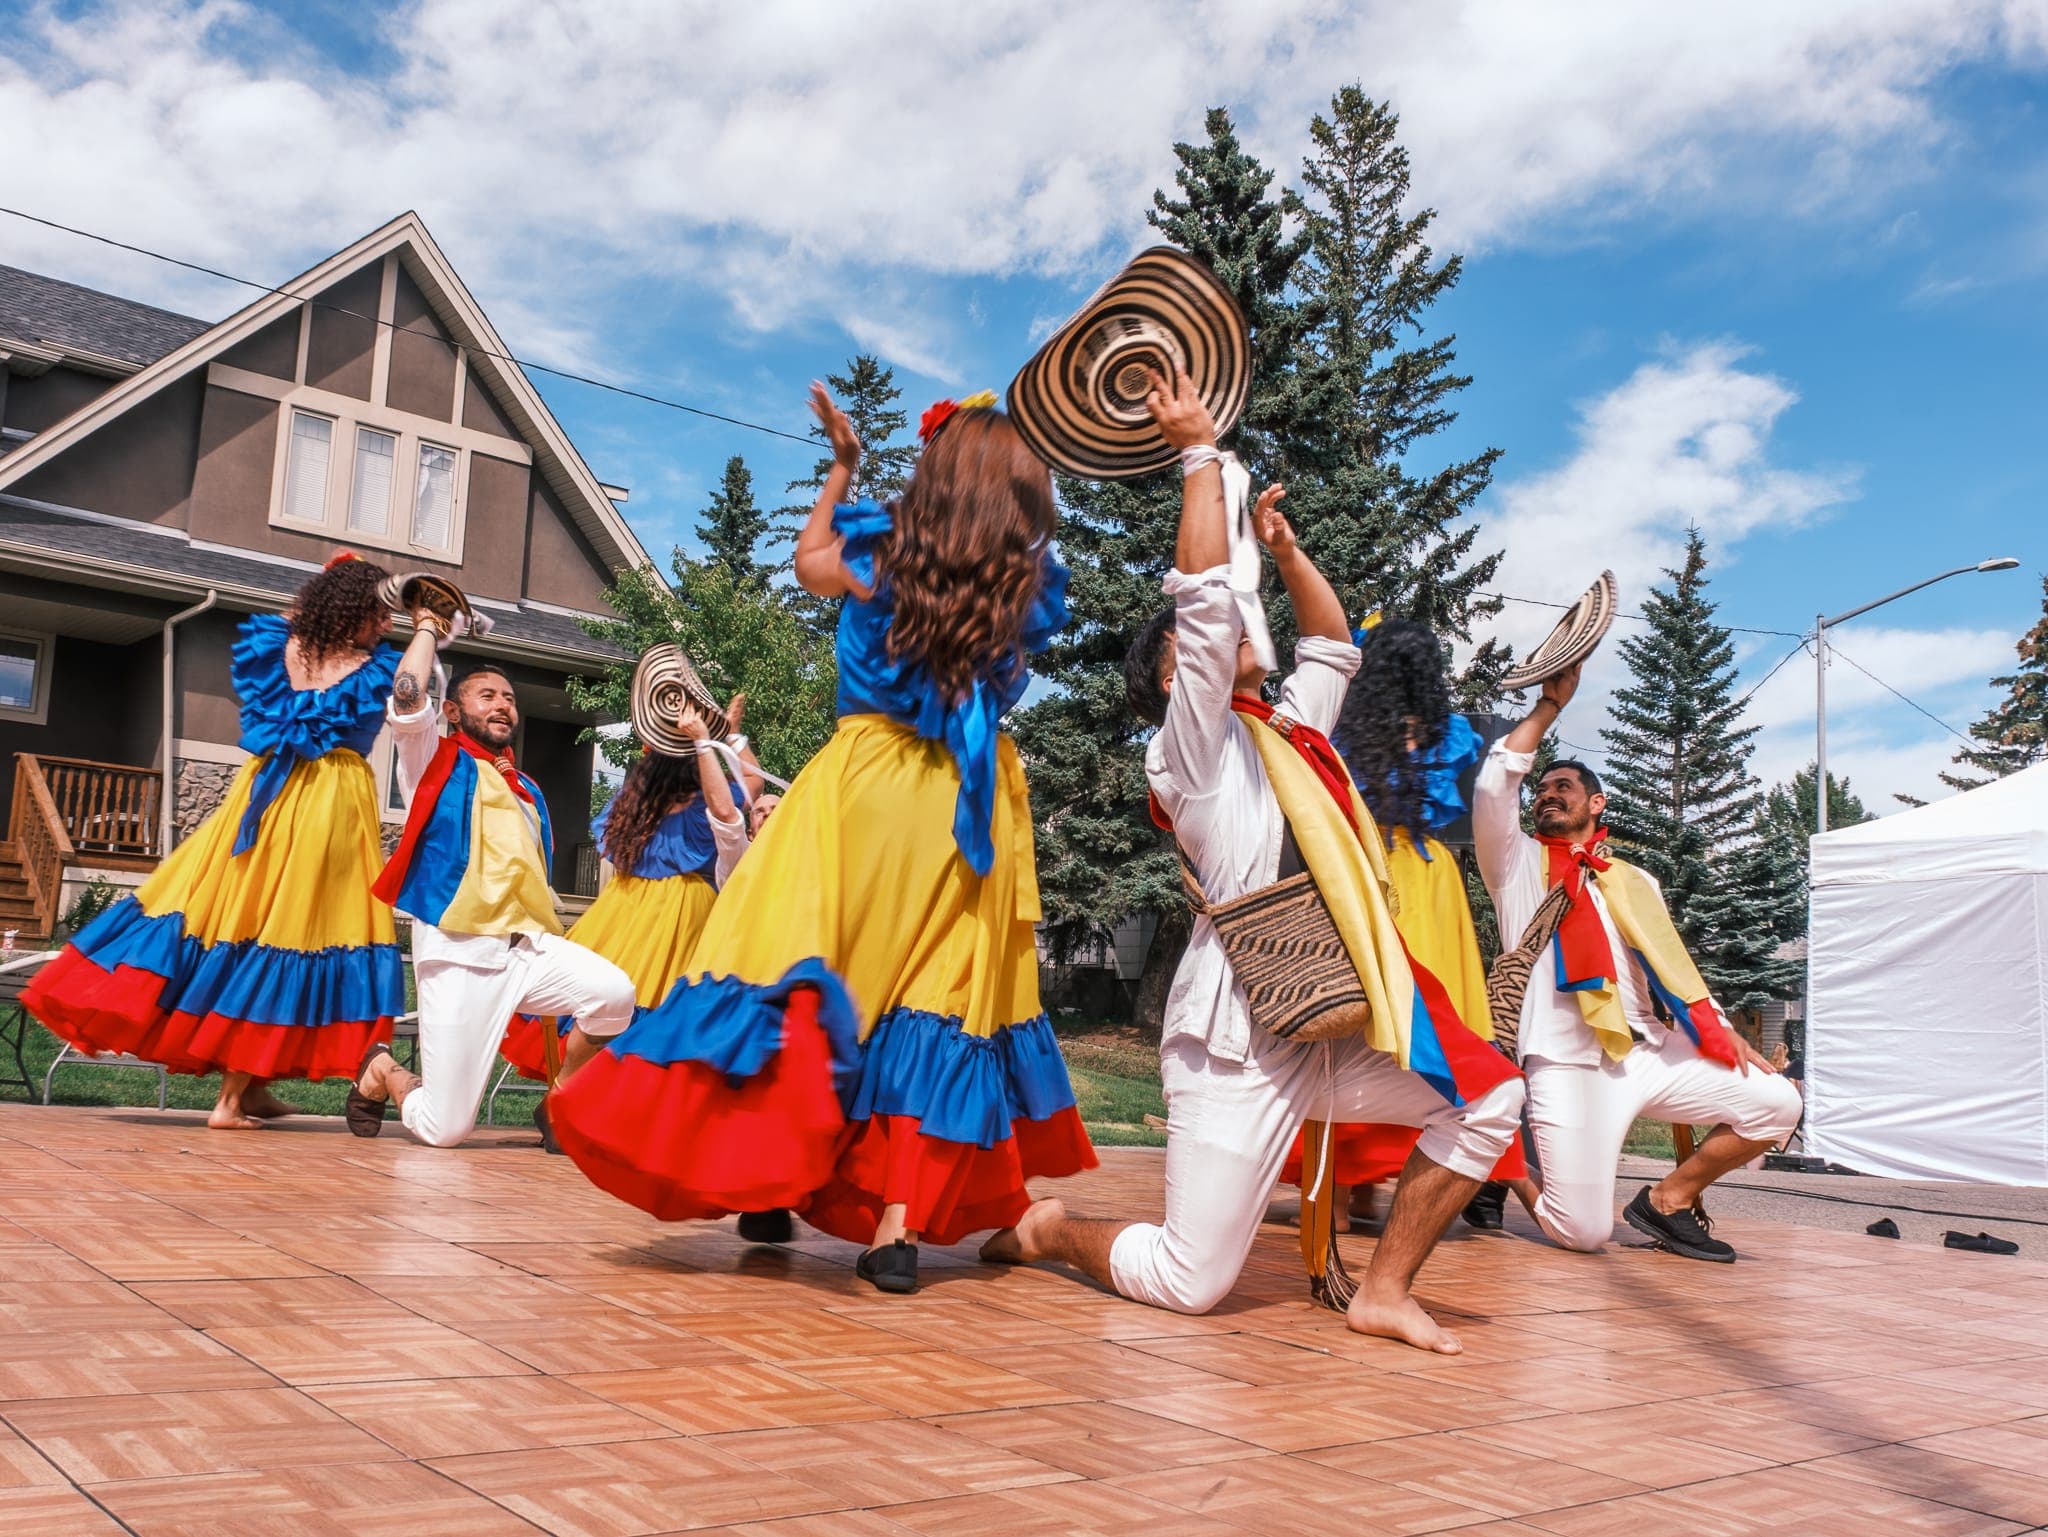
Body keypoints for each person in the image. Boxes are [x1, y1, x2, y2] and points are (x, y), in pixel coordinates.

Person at [981, 371, 1523, 1355]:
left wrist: (1281, 545)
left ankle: (1384, 1289)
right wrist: (1197, 454)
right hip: (1234, 1042)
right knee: (1190, 1284)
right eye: (1209, 641)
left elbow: (1331, 647)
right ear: (1169, 680)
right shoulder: (1189, 752)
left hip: (1335, 1030)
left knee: (1490, 1095)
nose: (1240, 631)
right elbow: (1197, 615)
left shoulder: (1287, 734)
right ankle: (1055, 1227)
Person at [551, 383, 1095, 1293]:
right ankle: (895, 1228)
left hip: (861, 789)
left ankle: (765, 1178)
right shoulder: (1022, 585)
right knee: (931, 997)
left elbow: (807, 557)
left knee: (802, 972)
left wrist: (843, 467)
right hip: (965, 800)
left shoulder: (877, 558)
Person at [25, 553, 407, 1130]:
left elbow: (300, 612)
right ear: (352, 608)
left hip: (261, 798)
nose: (386, 625)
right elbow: (412, 685)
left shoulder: (284, 646)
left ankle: (250, 1091)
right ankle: (230, 1101)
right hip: (327, 801)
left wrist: (337, 578)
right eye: (378, 613)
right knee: (287, 930)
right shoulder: (373, 665)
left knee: (238, 919)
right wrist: (431, 626)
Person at [1473, 663, 1802, 1260]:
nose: (1547, 796)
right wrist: (1549, 708)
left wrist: (1723, 1032)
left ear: (1595, 803)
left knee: (1779, 1102)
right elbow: (1496, 784)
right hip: (1566, 1062)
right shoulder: (1515, 866)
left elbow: (1673, 966)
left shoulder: (1634, 880)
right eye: (1542, 791)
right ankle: (1503, 1162)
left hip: (1647, 1050)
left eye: (1563, 788)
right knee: (1583, 1235)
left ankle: (1667, 1202)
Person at [1280, 619, 1529, 1232]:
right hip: (1432, 879)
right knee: (1432, 1022)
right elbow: (1498, 764)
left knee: (1366, 1018)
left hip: (1365, 872)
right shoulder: (1455, 736)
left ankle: (1337, 1193)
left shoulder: (1343, 732)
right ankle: (1375, 1189)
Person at [347, 647, 636, 1147]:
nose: (503, 705)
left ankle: (559, 1102)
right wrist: (426, 630)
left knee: (614, 995)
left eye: (509, 698)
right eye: (487, 696)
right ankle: (382, 1070)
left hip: (527, 949)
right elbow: (408, 697)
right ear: (453, 712)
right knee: (446, 1130)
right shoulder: (430, 762)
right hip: (460, 952)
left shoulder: (525, 787)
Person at [498, 695, 750, 1092]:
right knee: (654, 1014)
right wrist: (726, 738)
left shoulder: (632, 804)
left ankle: (569, 1095)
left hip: (620, 910)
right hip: (682, 917)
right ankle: (591, 1104)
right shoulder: (703, 804)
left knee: (600, 1005)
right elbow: (744, 789)